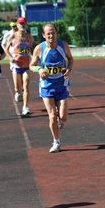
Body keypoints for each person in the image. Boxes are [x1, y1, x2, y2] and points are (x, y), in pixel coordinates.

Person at [30, 23, 74, 153]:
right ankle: (56, 142)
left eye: (53, 33)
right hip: (46, 86)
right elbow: (32, 65)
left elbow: (71, 59)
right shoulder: (39, 48)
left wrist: (68, 69)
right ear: (44, 35)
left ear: (57, 33)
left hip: (61, 85)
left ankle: (59, 119)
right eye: (48, 33)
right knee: (52, 116)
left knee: (63, 117)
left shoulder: (63, 46)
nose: (51, 35)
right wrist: (39, 69)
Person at [4, 17, 33, 115]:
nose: (22, 25)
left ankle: (25, 106)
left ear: (26, 25)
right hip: (16, 65)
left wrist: (35, 59)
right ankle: (18, 92)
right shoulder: (13, 36)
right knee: (18, 87)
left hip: (26, 65)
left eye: (24, 23)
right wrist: (10, 58)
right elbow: (6, 49)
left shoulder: (29, 37)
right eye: (20, 23)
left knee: (26, 84)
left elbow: (32, 50)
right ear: (17, 25)